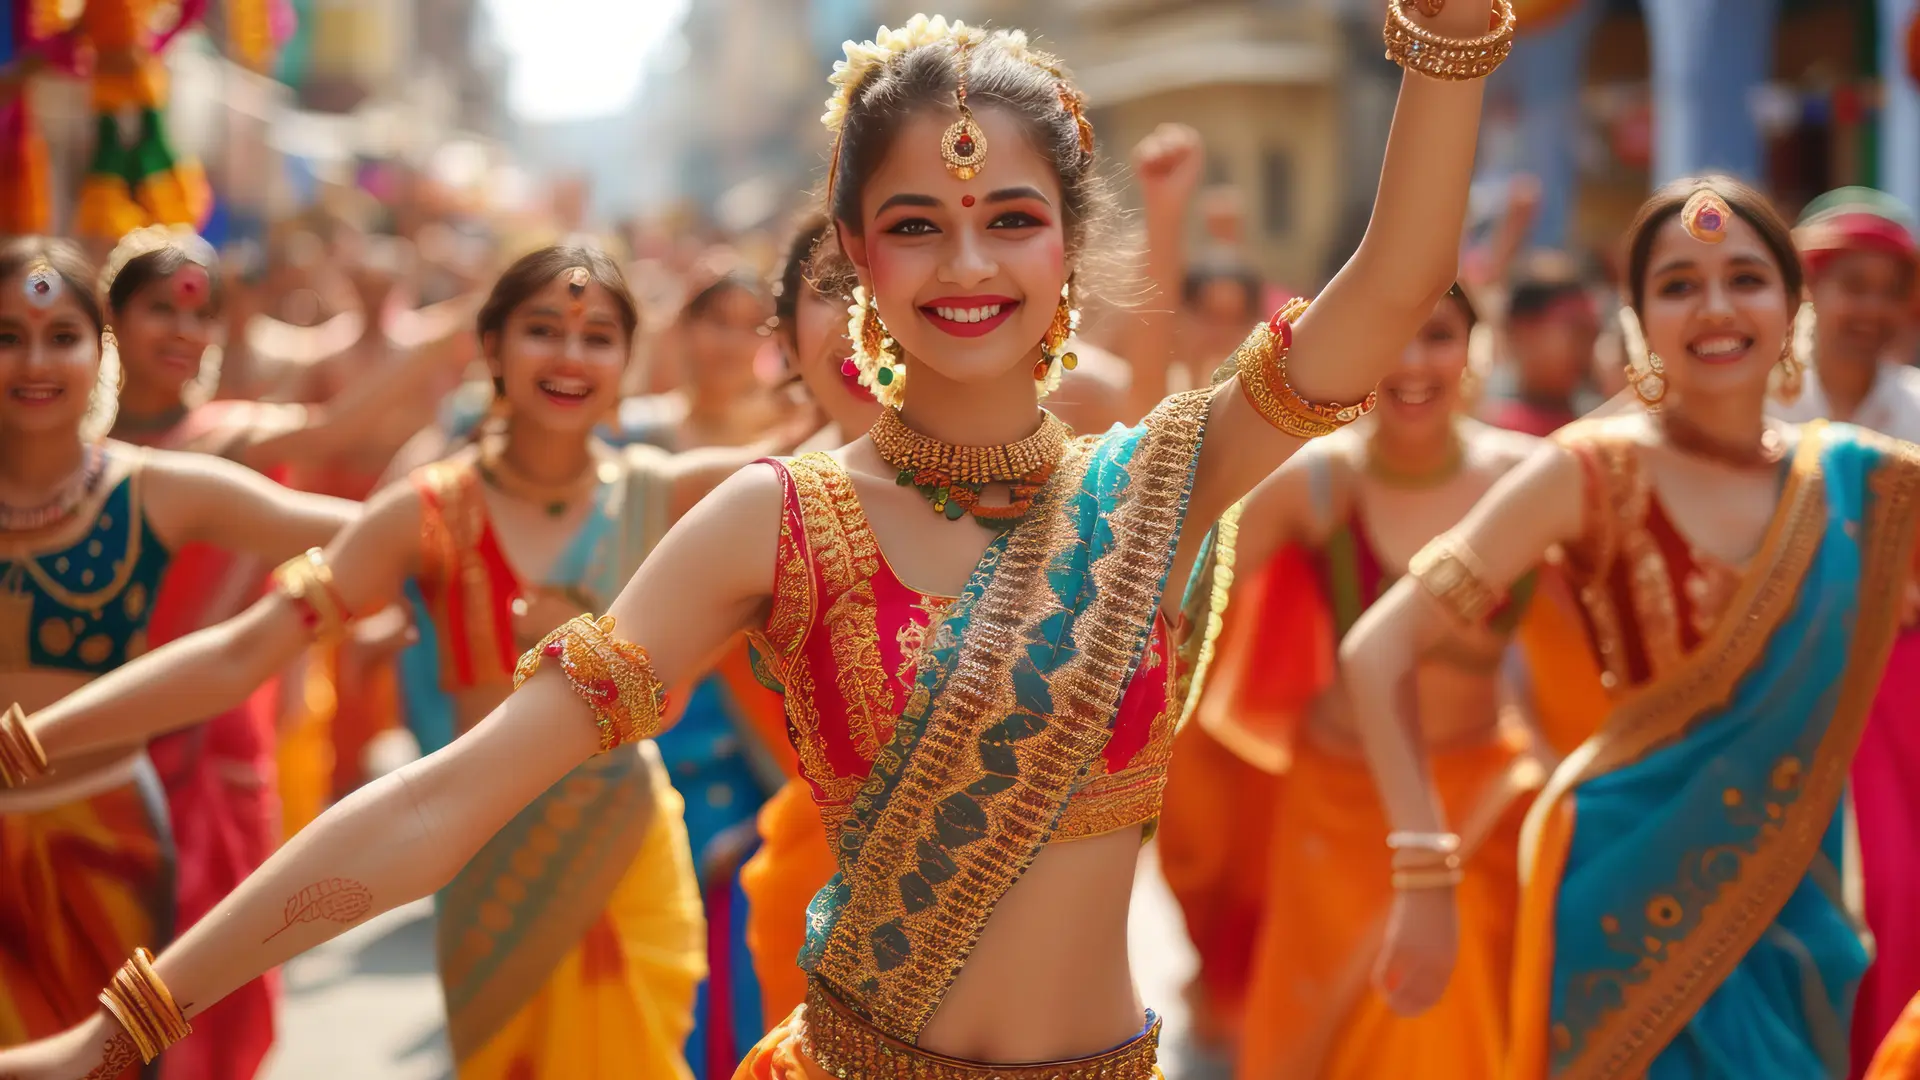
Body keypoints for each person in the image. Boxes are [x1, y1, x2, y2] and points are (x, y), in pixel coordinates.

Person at [0, 3, 1506, 1075]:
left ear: (1069, 243)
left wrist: (1448, 46)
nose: (966, 262)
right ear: (854, 254)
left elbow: (1384, 296)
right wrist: (132, 1018)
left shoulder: (1161, 479)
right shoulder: (776, 522)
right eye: (915, 222)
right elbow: (443, 803)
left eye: (1013, 221)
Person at [15, 242, 812, 1079]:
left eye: (598, 337)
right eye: (544, 330)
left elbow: (851, 461)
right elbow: (237, 654)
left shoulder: (677, 493)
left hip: (623, 855)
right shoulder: (431, 511)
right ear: (492, 346)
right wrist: (31, 739)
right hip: (479, 857)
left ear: (630, 357)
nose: (571, 357)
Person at [1339, 176, 1920, 1079]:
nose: (1715, 307)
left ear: (1791, 305)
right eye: (1680, 284)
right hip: (1617, 903)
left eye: (1745, 278)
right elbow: (1377, 649)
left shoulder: (1868, 487)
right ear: (1640, 319)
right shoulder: (1590, 471)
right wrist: (1423, 869)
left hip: (1792, 911)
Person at [1162, 285, 1562, 1078]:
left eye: (1438, 337)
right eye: (1391, 338)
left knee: (1453, 1033)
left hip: (1480, 803)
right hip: (1337, 809)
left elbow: (1608, 640)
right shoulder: (1317, 482)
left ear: (1475, 352)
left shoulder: (1530, 477)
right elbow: (1182, 591)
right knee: (1324, 1040)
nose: (1412, 364)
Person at [0, 237, 354, 1078]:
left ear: (101, 353)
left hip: (106, 837)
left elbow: (354, 529)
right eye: (8, 335)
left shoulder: (151, 487)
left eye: (62, 336)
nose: (36, 361)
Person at [1772, 186, 1920, 1078]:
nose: (1868, 307)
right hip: (1783, 686)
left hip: (1900, 692)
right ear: (1809, 292)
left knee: (1901, 893)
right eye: (1848, 285)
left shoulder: (1918, 410)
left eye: (1887, 288)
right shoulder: (1761, 405)